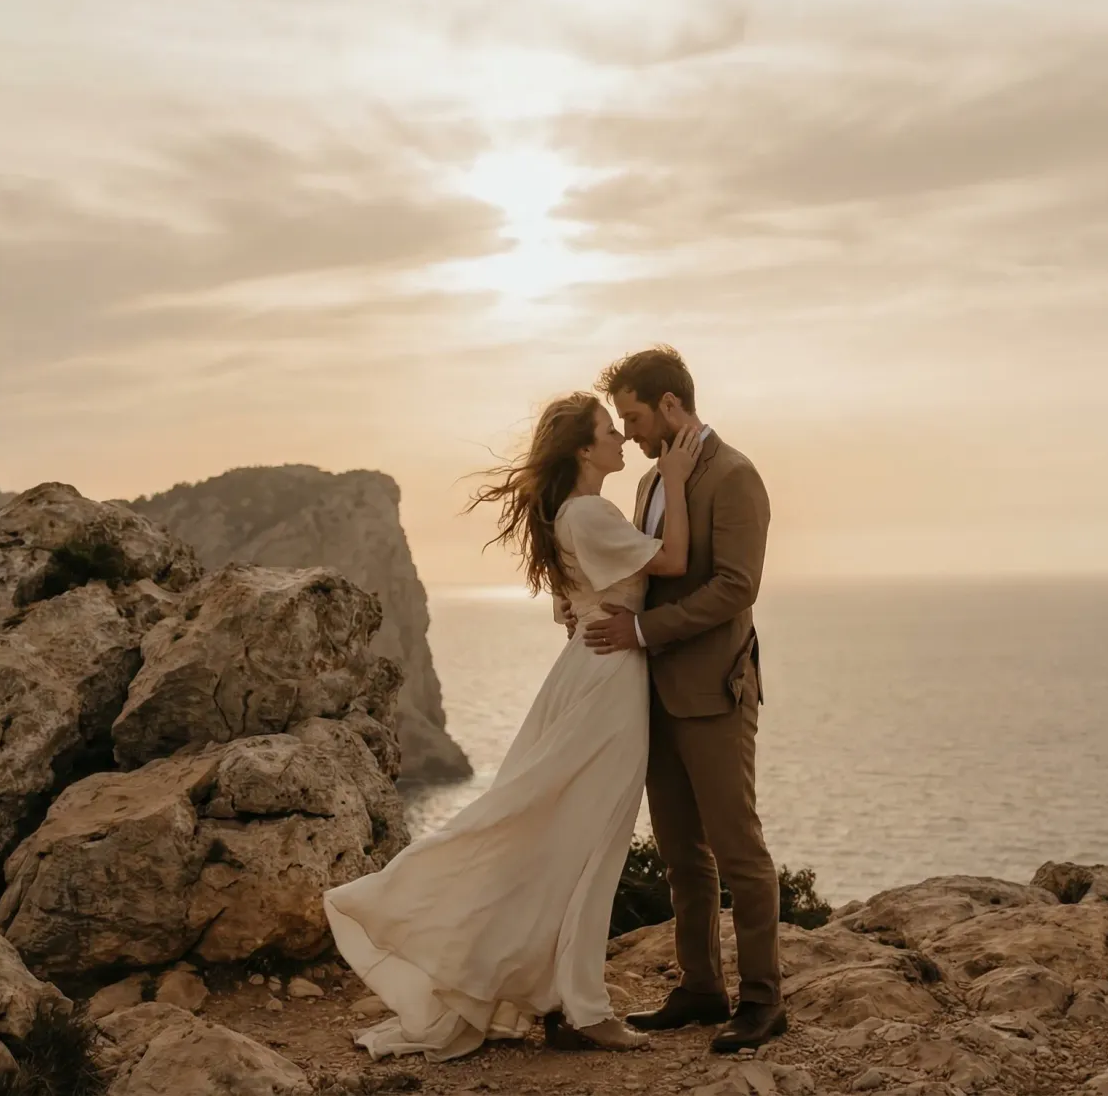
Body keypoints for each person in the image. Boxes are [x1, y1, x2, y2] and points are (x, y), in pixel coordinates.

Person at [322, 390, 704, 1061]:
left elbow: (574, 604)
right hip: (608, 682)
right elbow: (673, 563)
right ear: (583, 449)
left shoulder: (568, 514)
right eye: (608, 431)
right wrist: (674, 480)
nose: (620, 439)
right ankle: (582, 1007)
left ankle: (559, 998)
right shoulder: (589, 512)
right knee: (593, 842)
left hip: (587, 671)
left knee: (565, 837)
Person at [579, 345, 783, 1054]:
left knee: (738, 850)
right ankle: (701, 988)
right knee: (680, 855)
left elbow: (736, 587)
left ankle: (763, 1000)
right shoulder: (648, 483)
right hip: (652, 692)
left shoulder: (735, 475)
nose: (629, 433)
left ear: (670, 405)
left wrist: (640, 631)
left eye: (635, 418)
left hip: (714, 691)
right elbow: (648, 572)